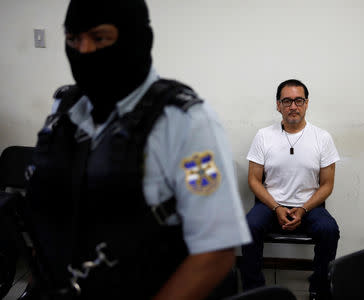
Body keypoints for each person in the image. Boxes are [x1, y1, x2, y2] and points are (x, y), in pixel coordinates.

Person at [21, 0, 251, 299]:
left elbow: (216, 253)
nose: (84, 51)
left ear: (137, 38)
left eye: (100, 38)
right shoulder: (66, 109)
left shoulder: (186, 122)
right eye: (73, 39)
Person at [240, 79, 340, 300]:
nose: (293, 106)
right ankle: (253, 291)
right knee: (248, 227)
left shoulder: (322, 138)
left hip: (310, 206)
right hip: (270, 205)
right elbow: (254, 180)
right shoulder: (263, 136)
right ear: (278, 105)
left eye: (298, 100)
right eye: (287, 101)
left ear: (306, 104)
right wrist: (276, 207)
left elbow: (327, 185)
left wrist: (303, 209)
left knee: (329, 230)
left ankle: (319, 290)